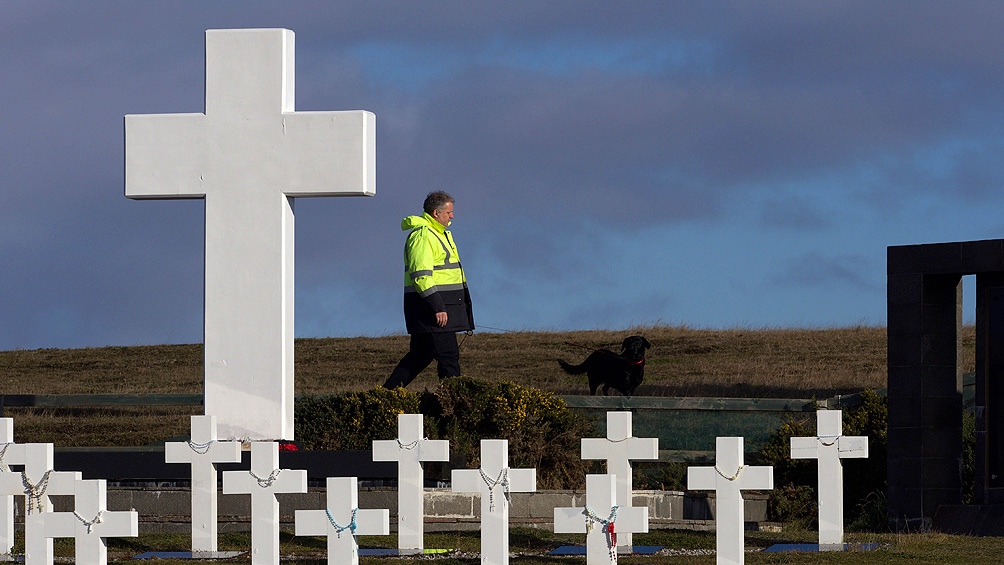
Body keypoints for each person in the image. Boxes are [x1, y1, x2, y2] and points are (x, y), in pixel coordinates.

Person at [383, 191, 474, 389]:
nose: (452, 216)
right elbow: (421, 276)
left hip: (434, 308)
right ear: (436, 213)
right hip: (433, 310)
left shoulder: (438, 233)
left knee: (420, 356)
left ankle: (383, 396)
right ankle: (452, 401)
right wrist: (438, 307)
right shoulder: (424, 235)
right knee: (448, 356)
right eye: (449, 212)